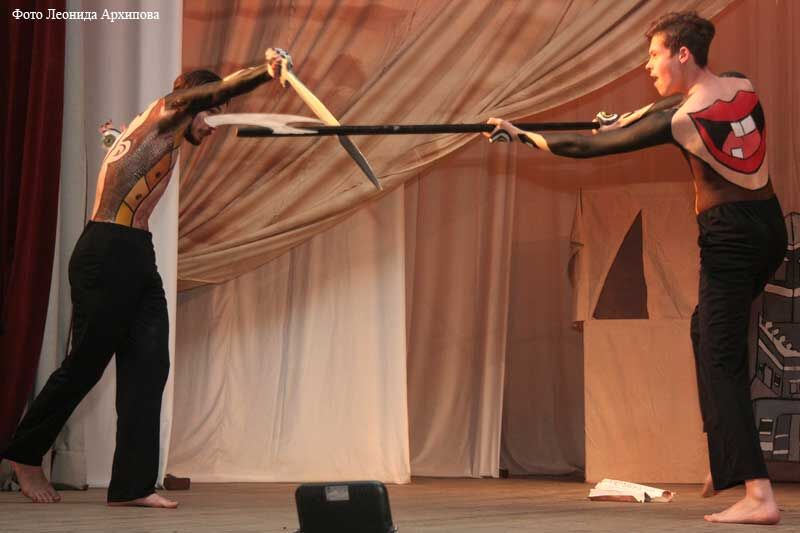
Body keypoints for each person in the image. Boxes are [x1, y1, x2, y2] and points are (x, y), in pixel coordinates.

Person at [487, 11, 786, 526]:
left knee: (721, 360)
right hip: (769, 228)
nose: (648, 65)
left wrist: (520, 135)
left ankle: (759, 495)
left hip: (729, 240)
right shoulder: (741, 84)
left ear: (682, 54)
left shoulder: (681, 122)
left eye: (654, 55)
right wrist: (627, 118)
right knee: (704, 330)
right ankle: (727, 458)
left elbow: (585, 148)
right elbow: (669, 104)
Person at [0, 47, 292, 509]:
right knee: (85, 365)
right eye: (212, 113)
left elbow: (123, 153)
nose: (212, 125)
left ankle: (132, 485)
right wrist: (265, 71)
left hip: (137, 254)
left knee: (149, 363)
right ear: (195, 102)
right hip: (106, 253)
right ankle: (24, 454)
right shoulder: (170, 111)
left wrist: (112, 137)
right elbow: (209, 94)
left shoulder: (153, 126)